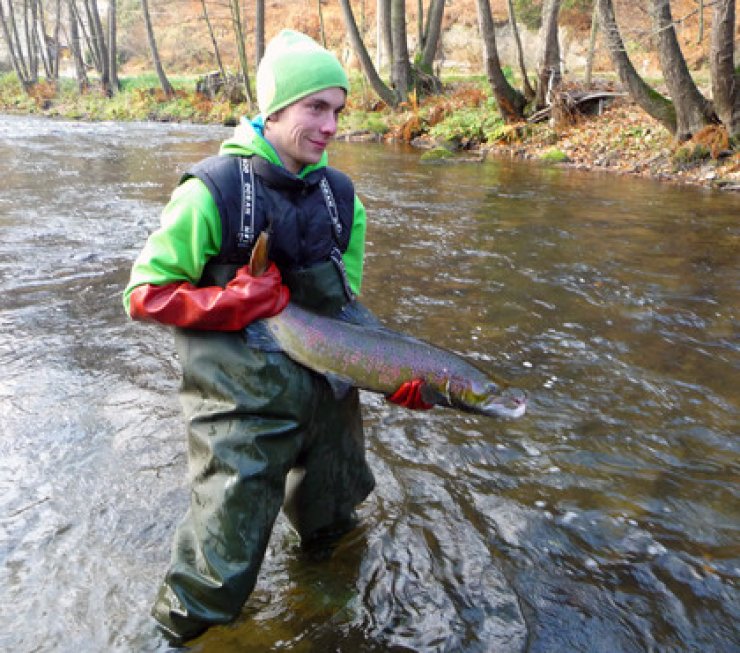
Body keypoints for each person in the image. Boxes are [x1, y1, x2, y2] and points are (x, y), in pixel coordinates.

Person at [123, 29, 430, 646]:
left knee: (332, 535)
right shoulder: (211, 192)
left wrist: (389, 375)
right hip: (241, 410)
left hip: (329, 405)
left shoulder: (343, 199)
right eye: (315, 107)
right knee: (212, 579)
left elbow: (346, 310)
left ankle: (322, 625)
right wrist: (229, 301)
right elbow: (142, 296)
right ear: (273, 109)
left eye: (338, 110)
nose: (331, 126)